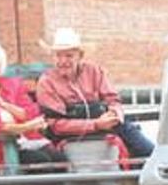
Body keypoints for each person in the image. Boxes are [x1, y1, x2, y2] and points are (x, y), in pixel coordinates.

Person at [36, 28, 154, 159]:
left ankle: (155, 166)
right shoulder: (46, 82)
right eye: (58, 56)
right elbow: (56, 124)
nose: (63, 61)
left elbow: (113, 100)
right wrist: (95, 124)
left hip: (108, 125)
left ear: (80, 56)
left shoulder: (94, 71)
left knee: (146, 149)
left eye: (69, 56)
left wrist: (113, 114)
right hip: (70, 134)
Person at [0, 40, 66, 175]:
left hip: (26, 143)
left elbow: (30, 113)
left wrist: (4, 104)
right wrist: (25, 127)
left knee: (60, 159)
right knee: (39, 161)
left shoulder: (13, 85)